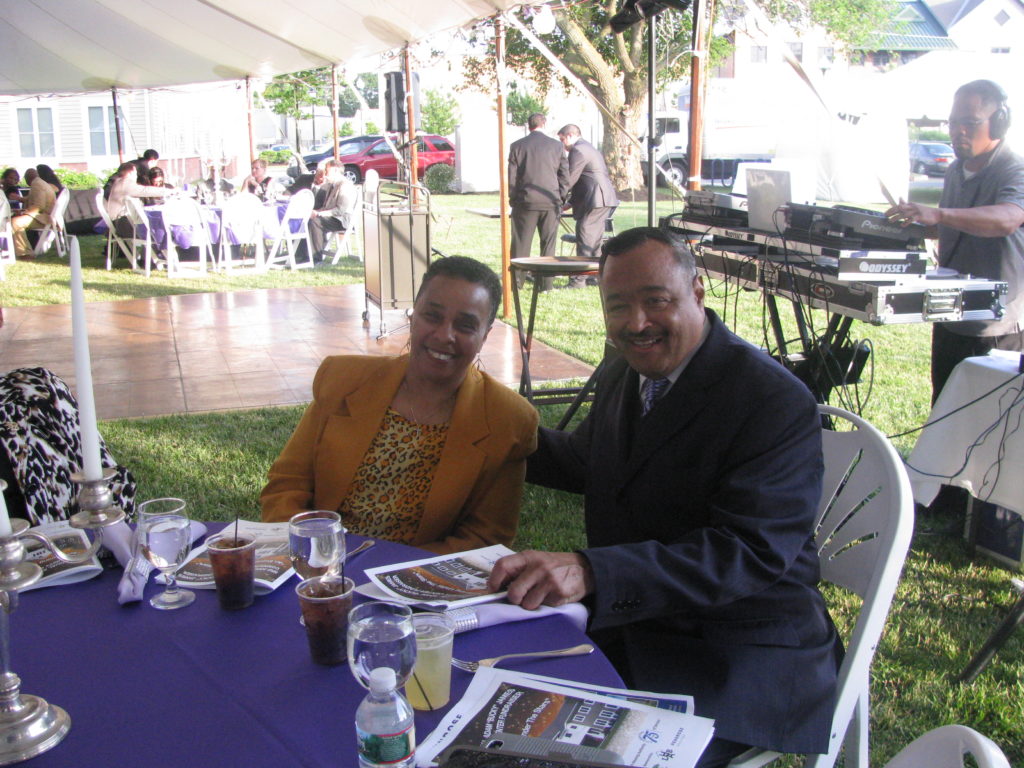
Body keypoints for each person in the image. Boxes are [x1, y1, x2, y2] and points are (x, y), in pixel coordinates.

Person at [487, 227, 839, 767]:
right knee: (496, 714)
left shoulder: (772, 400)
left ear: (697, 293)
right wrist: (490, 434)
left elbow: (748, 550)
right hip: (643, 629)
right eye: (618, 305)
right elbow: (592, 461)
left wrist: (594, 571)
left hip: (738, 651)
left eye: (656, 301)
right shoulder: (626, 372)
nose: (636, 323)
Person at [260, 256, 539, 554]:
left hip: (416, 580)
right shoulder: (342, 380)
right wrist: (312, 554)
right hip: (321, 566)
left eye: (465, 325)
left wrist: (393, 574)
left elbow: (484, 539)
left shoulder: (507, 420)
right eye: (432, 316)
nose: (445, 335)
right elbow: (287, 485)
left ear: (485, 335)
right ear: (412, 316)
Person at [887, 79, 1024, 402]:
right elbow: (951, 226)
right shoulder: (954, 171)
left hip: (995, 325)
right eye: (953, 122)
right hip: (951, 316)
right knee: (944, 409)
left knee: (989, 422)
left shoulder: (1014, 170)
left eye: (970, 123)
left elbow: (1008, 219)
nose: (958, 131)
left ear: (999, 122)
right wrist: (911, 223)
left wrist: (940, 215)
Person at [557, 123, 618, 287]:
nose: (562, 144)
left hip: (596, 199)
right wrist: (569, 203)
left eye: (562, 139)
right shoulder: (587, 148)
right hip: (600, 198)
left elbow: (570, 179)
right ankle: (594, 276)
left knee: (585, 236)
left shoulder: (579, 150)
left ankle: (579, 280)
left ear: (570, 135)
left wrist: (557, 198)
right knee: (593, 239)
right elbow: (583, 180)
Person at [508, 113, 569, 263]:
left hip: (525, 202)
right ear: (544, 124)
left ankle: (517, 281)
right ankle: (544, 282)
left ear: (529, 126)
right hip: (551, 201)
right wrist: (560, 197)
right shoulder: (557, 146)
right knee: (548, 246)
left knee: (521, 244)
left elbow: (512, 177)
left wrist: (513, 199)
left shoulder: (517, 146)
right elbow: (564, 176)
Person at [307, 159, 357, 264]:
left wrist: (319, 213)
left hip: (341, 219)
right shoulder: (332, 185)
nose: (324, 173)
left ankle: (316, 258)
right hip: (332, 216)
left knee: (316, 222)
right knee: (308, 218)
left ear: (335, 171)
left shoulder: (345, 185)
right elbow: (326, 207)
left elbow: (340, 210)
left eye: (327, 170)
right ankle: (303, 254)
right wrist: (314, 211)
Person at [106, 161, 171, 241]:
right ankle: (160, 251)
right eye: (135, 173)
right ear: (131, 172)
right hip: (125, 226)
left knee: (156, 230)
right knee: (159, 232)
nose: (136, 176)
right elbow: (145, 190)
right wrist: (170, 191)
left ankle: (154, 251)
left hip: (120, 225)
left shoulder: (118, 182)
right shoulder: (125, 183)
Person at [10, 164, 60, 258]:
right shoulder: (40, 183)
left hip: (45, 218)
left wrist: (22, 213)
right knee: (16, 221)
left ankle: (25, 254)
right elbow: (31, 200)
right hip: (46, 216)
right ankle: (23, 251)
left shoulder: (37, 185)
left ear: (27, 178)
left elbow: (38, 207)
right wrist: (22, 208)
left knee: (15, 222)